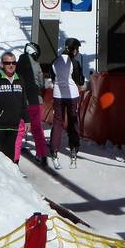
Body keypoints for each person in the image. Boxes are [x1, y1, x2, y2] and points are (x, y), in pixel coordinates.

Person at [47, 38, 86, 168]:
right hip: (72, 96)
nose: (77, 52)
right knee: (73, 121)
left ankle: (54, 148)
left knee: (58, 121)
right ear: (72, 49)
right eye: (77, 49)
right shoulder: (74, 63)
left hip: (58, 95)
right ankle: (74, 147)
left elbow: (52, 77)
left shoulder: (55, 61)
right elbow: (80, 81)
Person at [14, 42, 49, 168]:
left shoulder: (16, 65)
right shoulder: (37, 65)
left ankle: (15, 160)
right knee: (37, 129)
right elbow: (42, 84)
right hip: (36, 101)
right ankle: (42, 155)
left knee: (20, 131)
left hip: (22, 102)